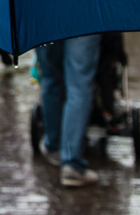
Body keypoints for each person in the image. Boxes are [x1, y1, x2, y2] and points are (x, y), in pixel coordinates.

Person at [33, 34, 102, 187]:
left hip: (45, 17)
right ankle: (71, 163)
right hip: (83, 17)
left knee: (51, 79)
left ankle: (54, 146)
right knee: (79, 85)